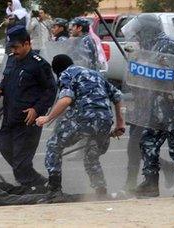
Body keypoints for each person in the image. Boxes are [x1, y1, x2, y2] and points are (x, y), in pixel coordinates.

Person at [122, 14, 174, 197]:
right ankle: (150, 184)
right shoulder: (153, 45)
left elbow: (168, 75)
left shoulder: (167, 45)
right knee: (147, 142)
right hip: (158, 107)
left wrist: (143, 67)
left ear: (148, 30)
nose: (137, 37)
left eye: (139, 33)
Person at [35, 54, 125, 198]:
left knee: (54, 145)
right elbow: (118, 96)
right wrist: (120, 123)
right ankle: (101, 191)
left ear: (57, 71)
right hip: (105, 121)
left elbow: (65, 100)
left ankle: (54, 188)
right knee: (91, 156)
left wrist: (48, 118)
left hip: (84, 119)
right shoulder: (96, 74)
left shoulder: (66, 74)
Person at [0, 26, 57, 187]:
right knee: (6, 149)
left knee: (21, 160)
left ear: (27, 44)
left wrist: (37, 109)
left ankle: (31, 188)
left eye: (16, 47)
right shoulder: (12, 60)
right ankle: (38, 182)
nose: (13, 51)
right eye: (11, 47)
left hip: (28, 120)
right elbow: (7, 82)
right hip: (10, 116)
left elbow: (51, 90)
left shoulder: (39, 65)